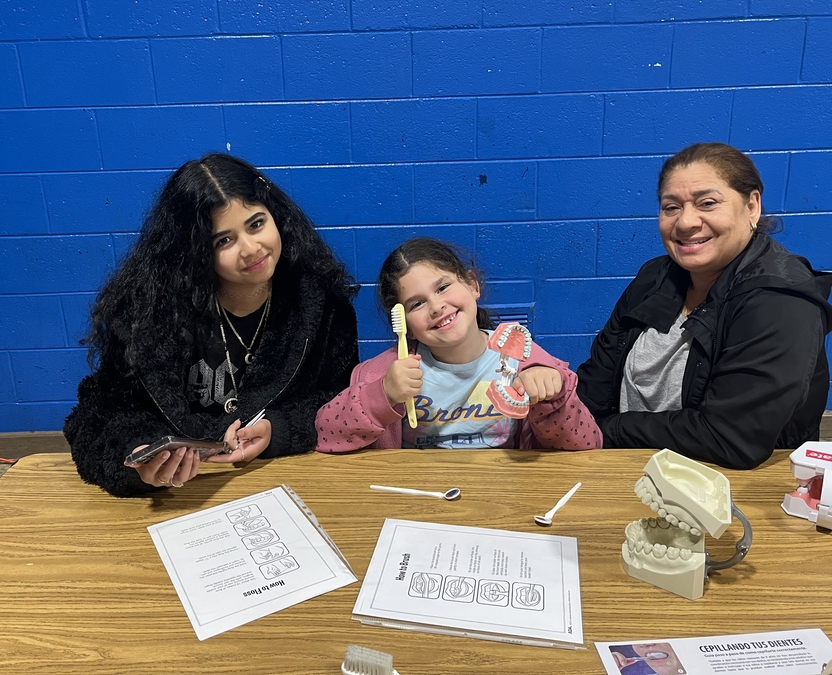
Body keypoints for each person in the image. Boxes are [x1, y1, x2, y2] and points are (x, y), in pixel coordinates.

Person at [64, 152, 359, 496]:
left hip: (289, 480)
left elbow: (342, 400)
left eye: (256, 224)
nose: (251, 249)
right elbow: (98, 418)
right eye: (224, 240)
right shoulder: (148, 315)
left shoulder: (321, 303)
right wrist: (137, 463)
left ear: (276, 216)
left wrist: (277, 431)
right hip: (180, 496)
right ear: (195, 251)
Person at [577, 142, 832, 469]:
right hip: (629, 463)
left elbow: (730, 438)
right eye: (671, 207)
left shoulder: (780, 300)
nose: (686, 222)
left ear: (752, 207)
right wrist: (573, 428)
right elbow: (596, 382)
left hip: (729, 484)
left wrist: (607, 432)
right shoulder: (654, 276)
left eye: (708, 203)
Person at [316, 237, 602, 452]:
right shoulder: (384, 374)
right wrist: (383, 395)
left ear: (472, 286)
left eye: (442, 288)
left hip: (507, 492)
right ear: (403, 323)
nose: (437, 306)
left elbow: (589, 447)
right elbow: (324, 434)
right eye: (417, 303)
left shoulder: (522, 360)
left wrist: (553, 398)